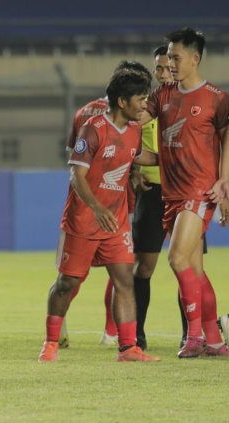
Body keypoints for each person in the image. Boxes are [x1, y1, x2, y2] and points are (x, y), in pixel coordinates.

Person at [38, 68, 160, 362]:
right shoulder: (93, 129)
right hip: (84, 220)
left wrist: (179, 154)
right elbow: (76, 175)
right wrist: (96, 207)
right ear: (122, 101)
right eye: (140, 99)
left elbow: (142, 156)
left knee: (125, 280)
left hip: (116, 223)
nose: (145, 105)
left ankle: (128, 348)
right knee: (67, 283)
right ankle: (51, 342)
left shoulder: (133, 130)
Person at [141, 27, 229, 358]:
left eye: (176, 57)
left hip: (200, 190)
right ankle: (216, 341)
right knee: (195, 270)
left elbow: (226, 137)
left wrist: (224, 181)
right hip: (171, 193)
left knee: (177, 258)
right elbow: (137, 118)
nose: (171, 63)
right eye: (169, 57)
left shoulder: (216, 99)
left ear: (195, 58)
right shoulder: (162, 96)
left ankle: (194, 337)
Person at [98, 46, 176, 350]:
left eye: (168, 66)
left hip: (185, 191)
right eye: (158, 68)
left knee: (187, 266)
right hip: (153, 193)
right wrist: (132, 170)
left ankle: (193, 336)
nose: (164, 72)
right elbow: (122, 141)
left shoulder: (193, 104)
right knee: (141, 268)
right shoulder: (145, 108)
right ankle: (135, 337)